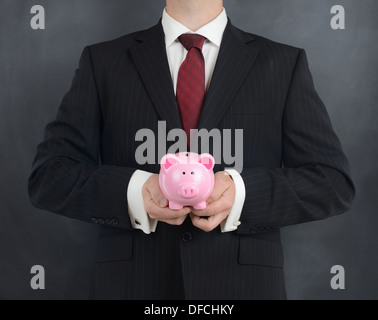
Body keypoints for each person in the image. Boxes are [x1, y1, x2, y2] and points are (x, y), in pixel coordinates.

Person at [28, 0, 355, 300]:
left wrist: (239, 193)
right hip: (131, 285)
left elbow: (331, 183)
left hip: (244, 289)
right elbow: (50, 176)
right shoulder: (103, 61)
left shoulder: (284, 63)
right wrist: (135, 192)